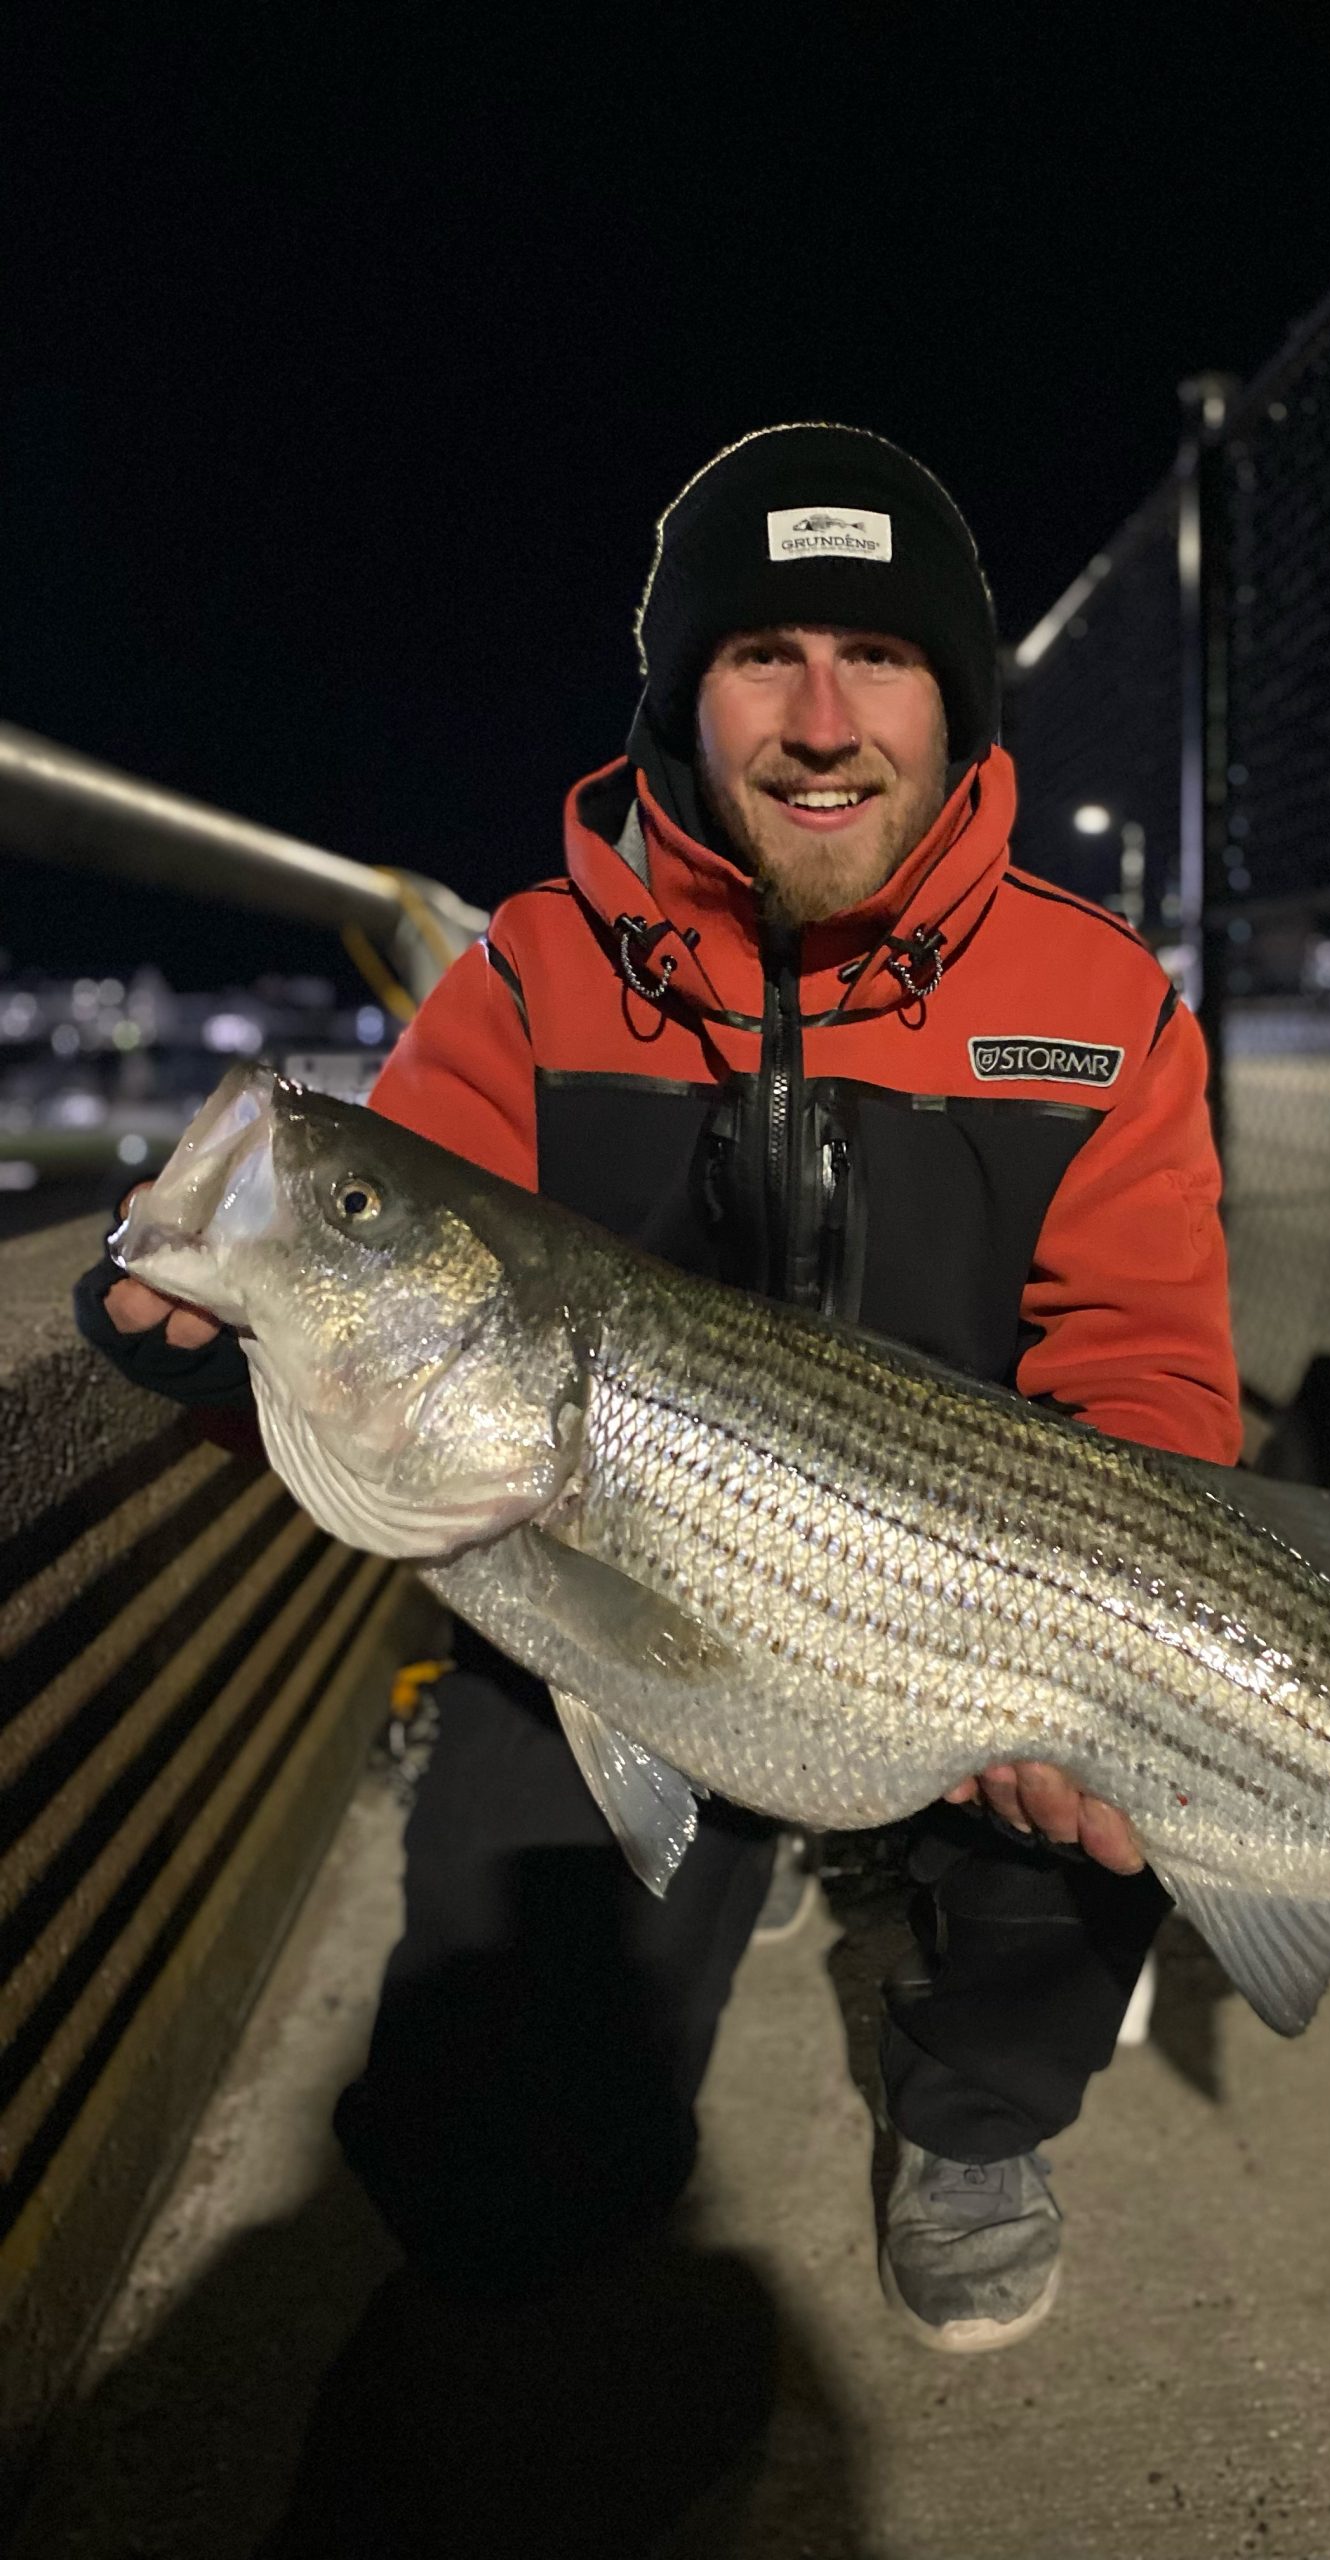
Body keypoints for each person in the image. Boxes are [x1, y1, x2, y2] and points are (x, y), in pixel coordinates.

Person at [74, 423, 1241, 2353]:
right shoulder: (532, 976)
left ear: (952, 703)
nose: (817, 715)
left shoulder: (1101, 1004)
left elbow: (1146, 1373)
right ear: (680, 698)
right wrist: (219, 1329)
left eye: (876, 657)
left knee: (1098, 1810)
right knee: (487, 2187)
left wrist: (1101, 1656)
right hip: (594, 1602)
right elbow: (398, 1318)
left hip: (971, 1608)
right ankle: (763, 1834)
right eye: (757, 654)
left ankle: (971, 2115)